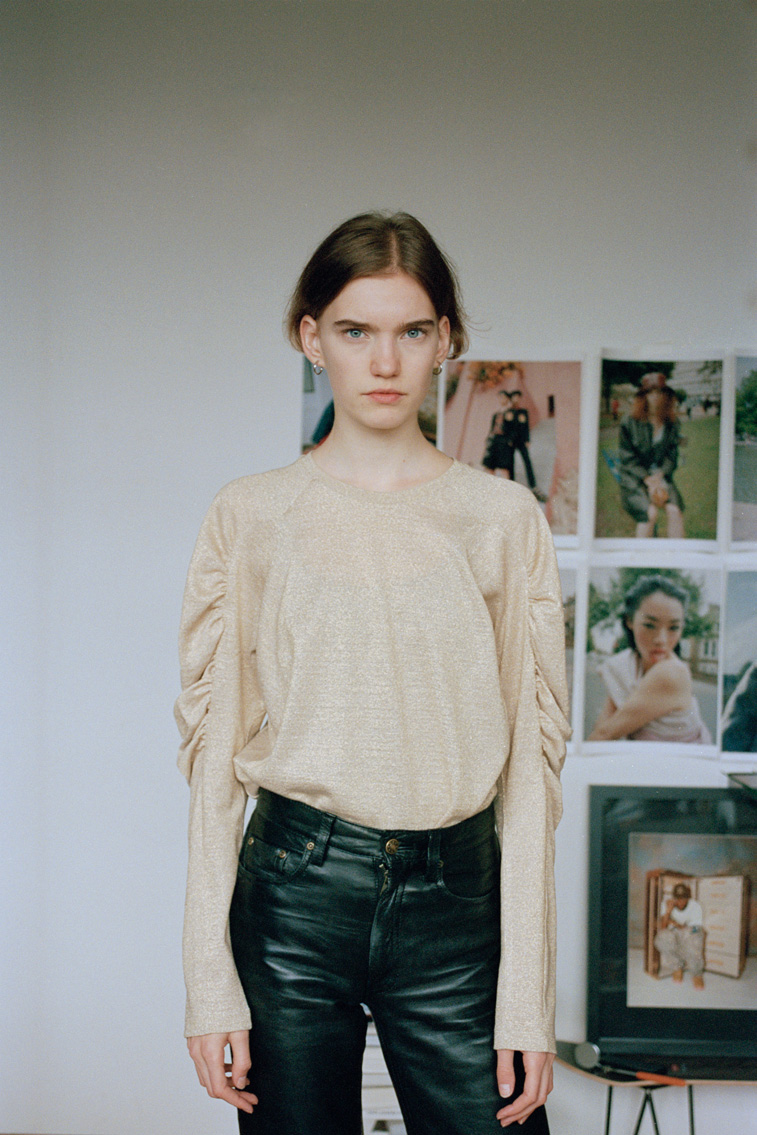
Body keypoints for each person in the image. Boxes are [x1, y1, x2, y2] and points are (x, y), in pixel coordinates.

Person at [175, 211, 571, 1134]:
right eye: (355, 331)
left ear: (447, 342)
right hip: (291, 899)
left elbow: (530, 773)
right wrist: (208, 982)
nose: (383, 362)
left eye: (411, 331)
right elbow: (212, 759)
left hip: (458, 907)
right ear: (311, 339)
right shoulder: (251, 515)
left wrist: (525, 1000)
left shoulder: (502, 519)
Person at [589, 574, 710, 743]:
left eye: (673, 627)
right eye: (649, 625)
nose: (661, 639)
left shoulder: (672, 673)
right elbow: (602, 730)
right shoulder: (624, 665)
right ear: (630, 621)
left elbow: (604, 734)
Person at [617, 372, 685, 538]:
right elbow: (627, 458)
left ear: (666, 396)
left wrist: (660, 475)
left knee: (674, 510)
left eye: (660, 392)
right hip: (634, 477)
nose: (655, 397)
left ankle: (677, 561)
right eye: (650, 392)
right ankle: (641, 562)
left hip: (660, 475)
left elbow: (672, 457)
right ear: (643, 396)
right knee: (650, 514)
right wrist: (647, 479)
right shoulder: (629, 422)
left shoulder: (672, 424)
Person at [653, 882, 705, 989]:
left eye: (683, 898)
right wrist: (668, 911)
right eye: (678, 898)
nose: (680, 902)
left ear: (688, 898)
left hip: (691, 931)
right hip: (676, 932)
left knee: (694, 938)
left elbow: (697, 928)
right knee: (662, 937)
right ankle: (677, 967)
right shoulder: (667, 904)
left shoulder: (695, 906)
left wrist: (685, 929)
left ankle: (697, 974)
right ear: (674, 898)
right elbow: (662, 928)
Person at [509, 390, 547, 501]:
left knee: (527, 461)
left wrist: (527, 440)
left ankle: (533, 485)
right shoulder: (509, 411)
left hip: (521, 441)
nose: (516, 399)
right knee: (510, 464)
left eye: (518, 397)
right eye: (514, 397)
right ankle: (512, 486)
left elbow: (526, 427)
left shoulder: (523, 412)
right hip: (511, 442)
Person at [482, 388, 515, 477]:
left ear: (507, 398)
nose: (501, 399)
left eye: (503, 397)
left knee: (504, 467)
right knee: (490, 467)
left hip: (504, 441)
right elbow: (492, 428)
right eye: (500, 397)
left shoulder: (511, 411)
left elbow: (513, 428)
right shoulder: (497, 413)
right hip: (494, 440)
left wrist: (509, 441)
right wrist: (488, 438)